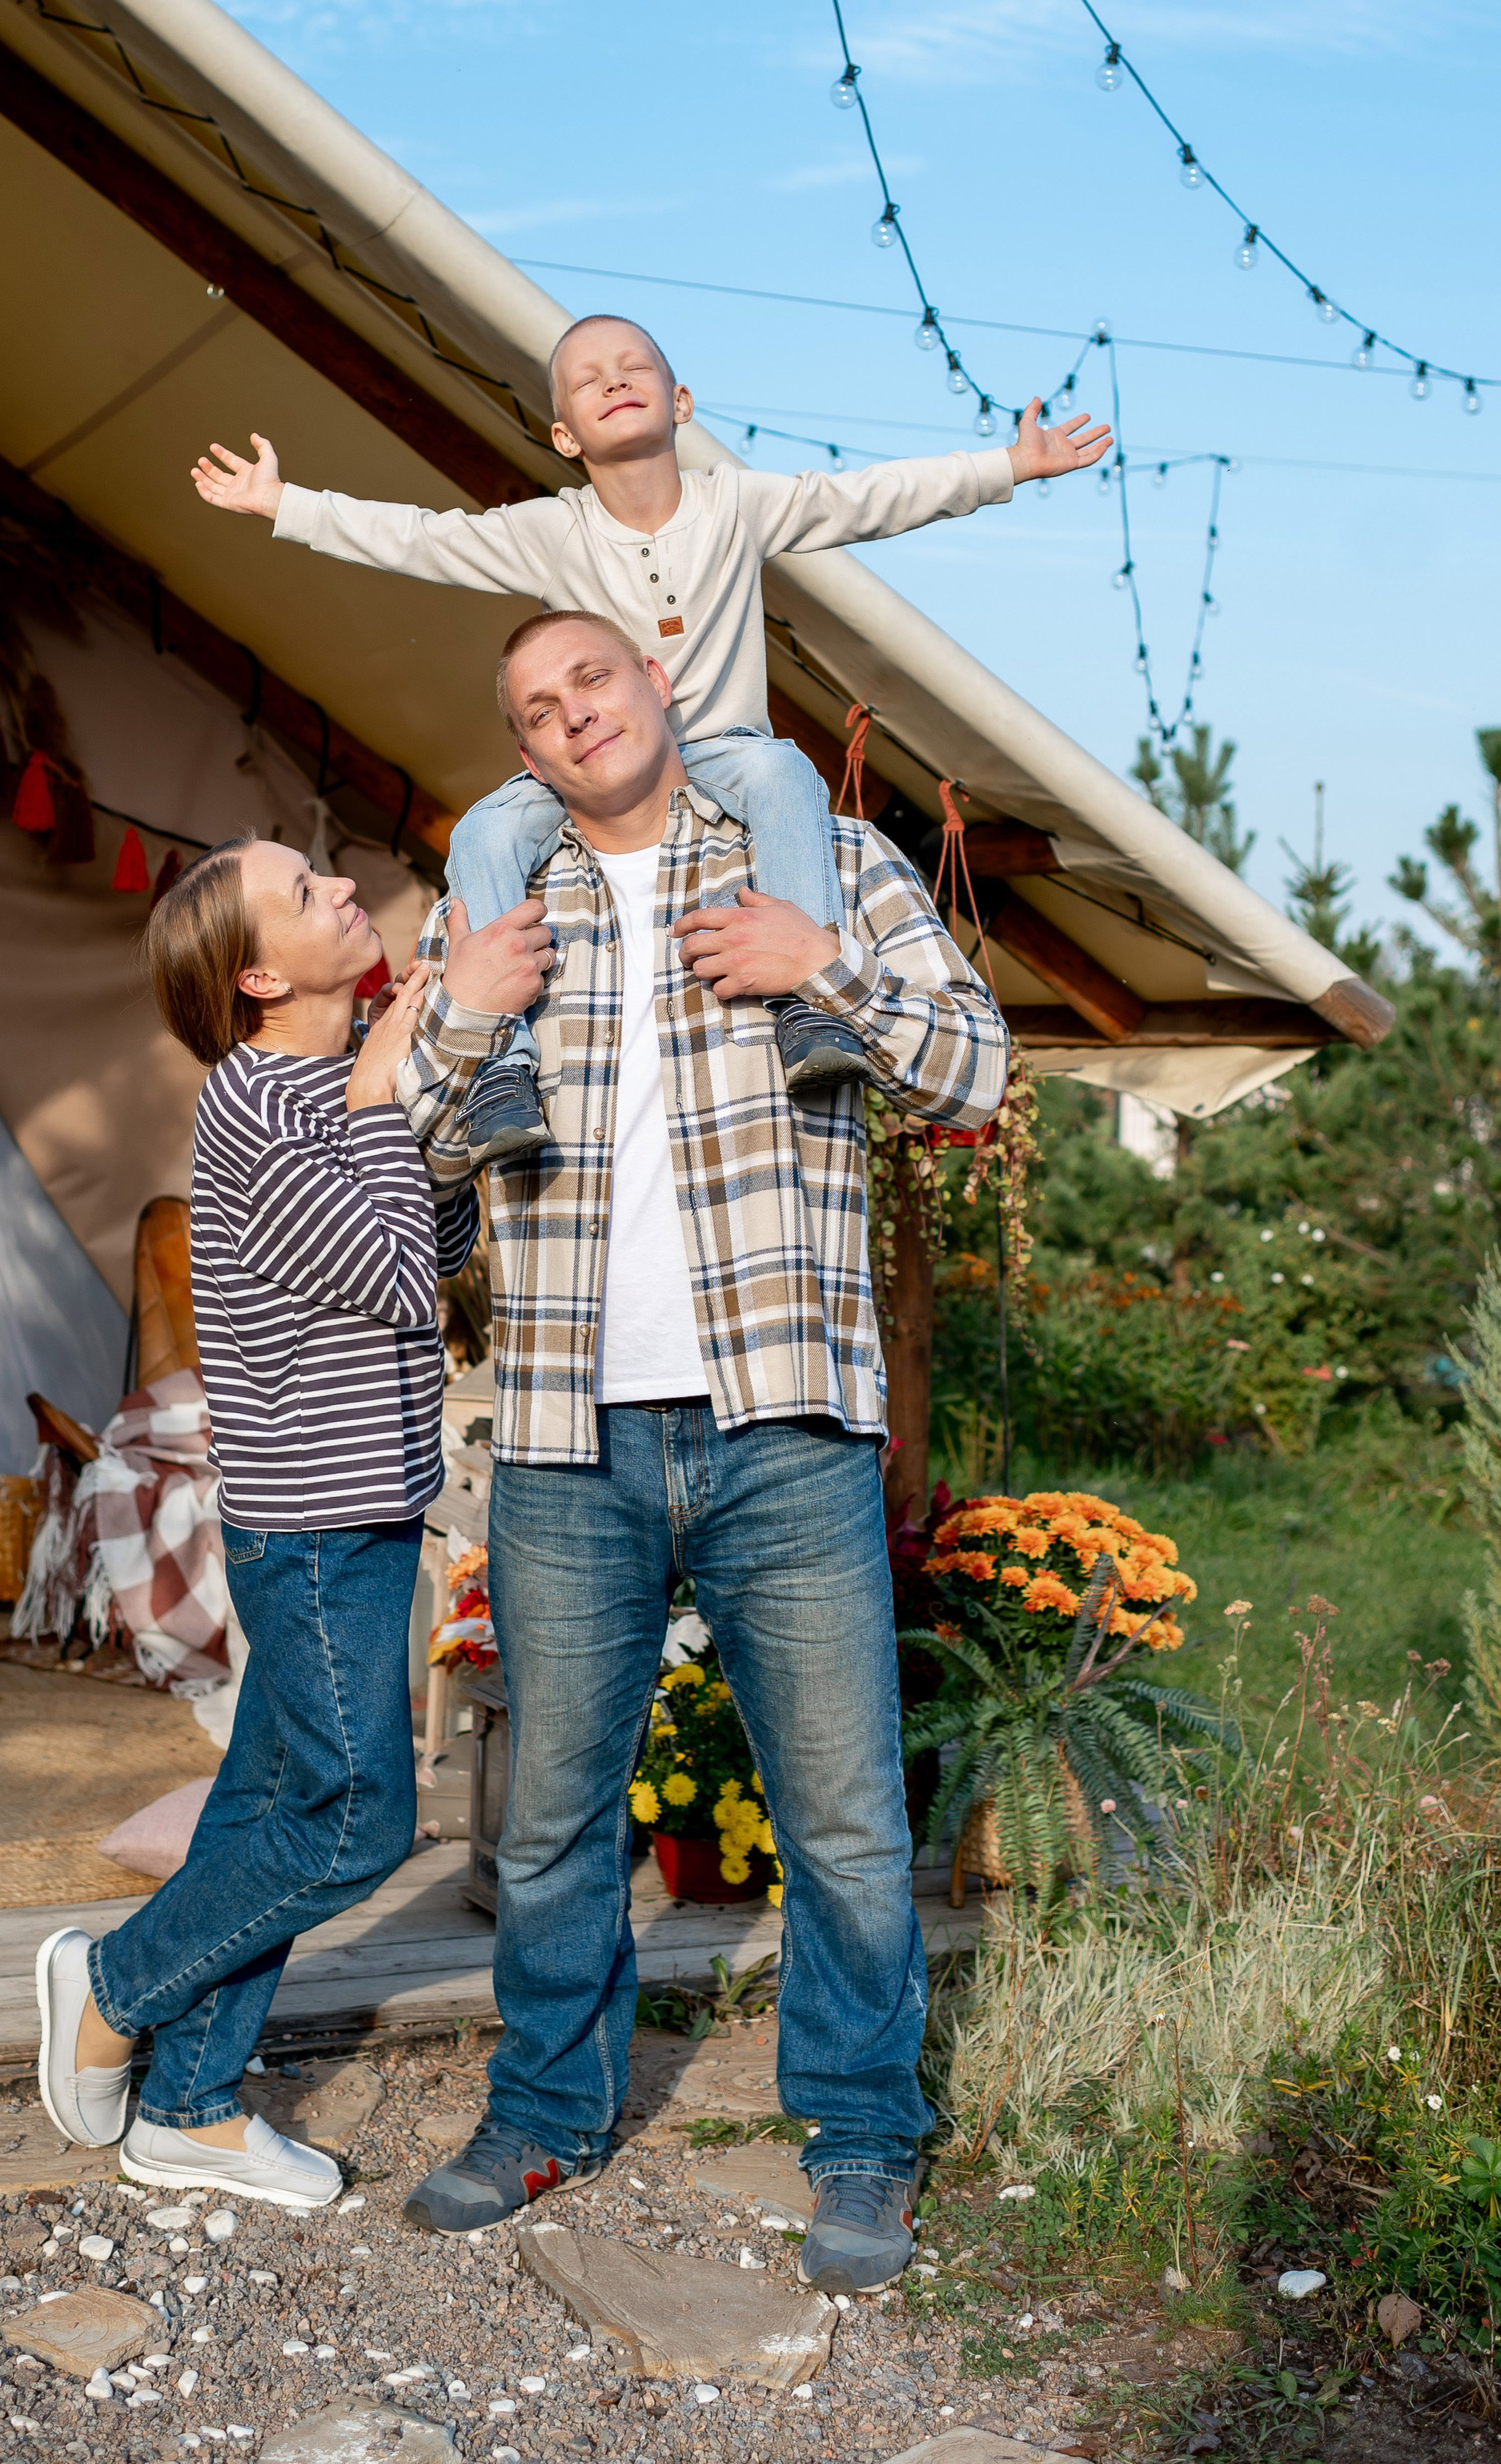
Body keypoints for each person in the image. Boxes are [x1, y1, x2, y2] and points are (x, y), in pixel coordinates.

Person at [388, 608, 1009, 2290]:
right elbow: (412, 1164)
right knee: (548, 1820)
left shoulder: (827, 861)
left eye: (592, 677)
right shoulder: (496, 899)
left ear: (658, 685)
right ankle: (545, 2112)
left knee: (845, 1821)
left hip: (783, 1418)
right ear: (524, 753)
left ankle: (862, 2135)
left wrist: (822, 966)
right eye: (536, 708)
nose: (572, 715)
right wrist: (462, 1015)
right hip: (562, 1431)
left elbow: (977, 1067)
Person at [192, 311, 1102, 1167]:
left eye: (634, 367)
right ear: (564, 435)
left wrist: (1010, 465)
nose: (614, 380)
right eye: (587, 379)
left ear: (681, 402)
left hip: (724, 749)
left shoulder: (736, 504)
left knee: (785, 773)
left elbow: (871, 496)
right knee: (484, 829)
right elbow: (422, 538)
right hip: (592, 765)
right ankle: (504, 1062)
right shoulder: (553, 530)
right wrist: (285, 504)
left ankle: (808, 1010)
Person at [34, 840, 474, 2198]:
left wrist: (415, 1096)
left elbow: (439, 1246)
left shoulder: (326, 1087)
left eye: (327, 871)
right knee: (356, 1823)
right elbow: (399, 1274)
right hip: (320, 1525)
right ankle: (114, 1982)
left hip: (363, 1507)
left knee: (264, 1808)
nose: (342, 889)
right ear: (261, 976)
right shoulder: (258, 1104)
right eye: (306, 891)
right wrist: (388, 1089)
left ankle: (190, 2106)